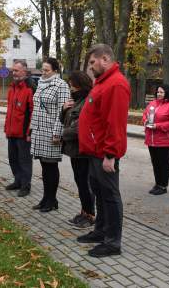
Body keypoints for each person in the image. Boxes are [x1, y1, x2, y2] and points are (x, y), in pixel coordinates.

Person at [77, 44, 130, 258]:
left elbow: (114, 123)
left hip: (104, 154)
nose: (90, 67)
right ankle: (101, 231)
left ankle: (112, 242)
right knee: (99, 193)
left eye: (92, 62)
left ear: (105, 59)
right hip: (94, 151)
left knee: (110, 196)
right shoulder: (101, 83)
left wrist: (110, 154)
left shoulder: (115, 84)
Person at [30, 57, 70, 212]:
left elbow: (63, 111)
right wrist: (32, 128)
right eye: (43, 69)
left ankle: (52, 200)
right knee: (44, 167)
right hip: (39, 131)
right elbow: (37, 108)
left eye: (47, 70)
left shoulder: (61, 85)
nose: (44, 73)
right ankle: (46, 198)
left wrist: (57, 134)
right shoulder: (40, 83)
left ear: (55, 70)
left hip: (51, 133)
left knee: (51, 167)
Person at [60, 71, 95, 229]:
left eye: (72, 84)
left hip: (83, 151)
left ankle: (90, 215)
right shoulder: (76, 100)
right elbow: (65, 121)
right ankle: (84, 211)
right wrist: (64, 109)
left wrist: (61, 134)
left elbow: (79, 128)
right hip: (74, 150)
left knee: (85, 185)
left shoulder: (87, 101)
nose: (70, 87)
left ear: (80, 84)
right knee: (80, 183)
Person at [4, 60, 35, 197]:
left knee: (25, 161)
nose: (14, 73)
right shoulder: (12, 88)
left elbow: (33, 112)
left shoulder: (30, 88)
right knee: (13, 159)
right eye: (13, 70)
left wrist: (30, 132)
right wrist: (7, 128)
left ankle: (25, 186)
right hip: (11, 132)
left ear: (24, 71)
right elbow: (9, 111)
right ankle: (17, 181)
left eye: (16, 70)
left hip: (23, 134)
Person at [142, 84, 169, 195]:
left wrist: (158, 126)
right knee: (155, 162)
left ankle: (163, 186)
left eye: (161, 92)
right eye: (158, 92)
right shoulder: (152, 104)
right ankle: (157, 183)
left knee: (163, 163)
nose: (159, 94)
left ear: (167, 93)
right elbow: (145, 114)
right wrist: (146, 121)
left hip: (164, 141)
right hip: (151, 139)